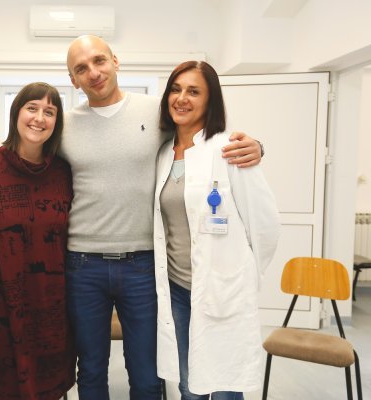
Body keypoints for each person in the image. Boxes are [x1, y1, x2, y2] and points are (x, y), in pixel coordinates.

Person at [59, 35, 264, 400]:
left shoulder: (158, 112)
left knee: (146, 372)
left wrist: (258, 146)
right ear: (73, 80)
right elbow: (26, 154)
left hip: (142, 264)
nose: (94, 72)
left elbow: (208, 137)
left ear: (115, 61)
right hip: (83, 265)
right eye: (81, 68)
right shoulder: (64, 126)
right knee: (90, 368)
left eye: (99, 60)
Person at [153, 61, 281, 399]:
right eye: (176, 89)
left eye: (194, 91)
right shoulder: (163, 153)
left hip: (223, 289)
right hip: (177, 289)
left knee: (225, 386)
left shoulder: (229, 149)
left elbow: (265, 224)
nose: (182, 98)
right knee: (188, 385)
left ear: (210, 100)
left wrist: (243, 276)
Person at [0, 82, 76, 400]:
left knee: (50, 389)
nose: (39, 118)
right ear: (16, 113)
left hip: (53, 306)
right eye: (32, 108)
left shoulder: (65, 173)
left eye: (49, 111)